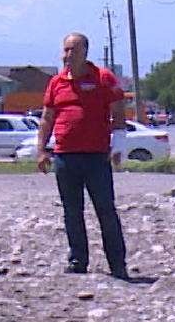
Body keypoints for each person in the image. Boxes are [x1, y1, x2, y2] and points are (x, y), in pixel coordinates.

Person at [35, 32, 129, 279]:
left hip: (97, 157)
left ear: (85, 52)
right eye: (65, 50)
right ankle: (78, 260)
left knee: (105, 210)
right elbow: (47, 118)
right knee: (72, 210)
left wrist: (118, 146)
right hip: (65, 157)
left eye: (73, 50)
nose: (68, 55)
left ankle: (117, 263)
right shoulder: (56, 83)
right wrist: (41, 149)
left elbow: (119, 114)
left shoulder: (103, 78)